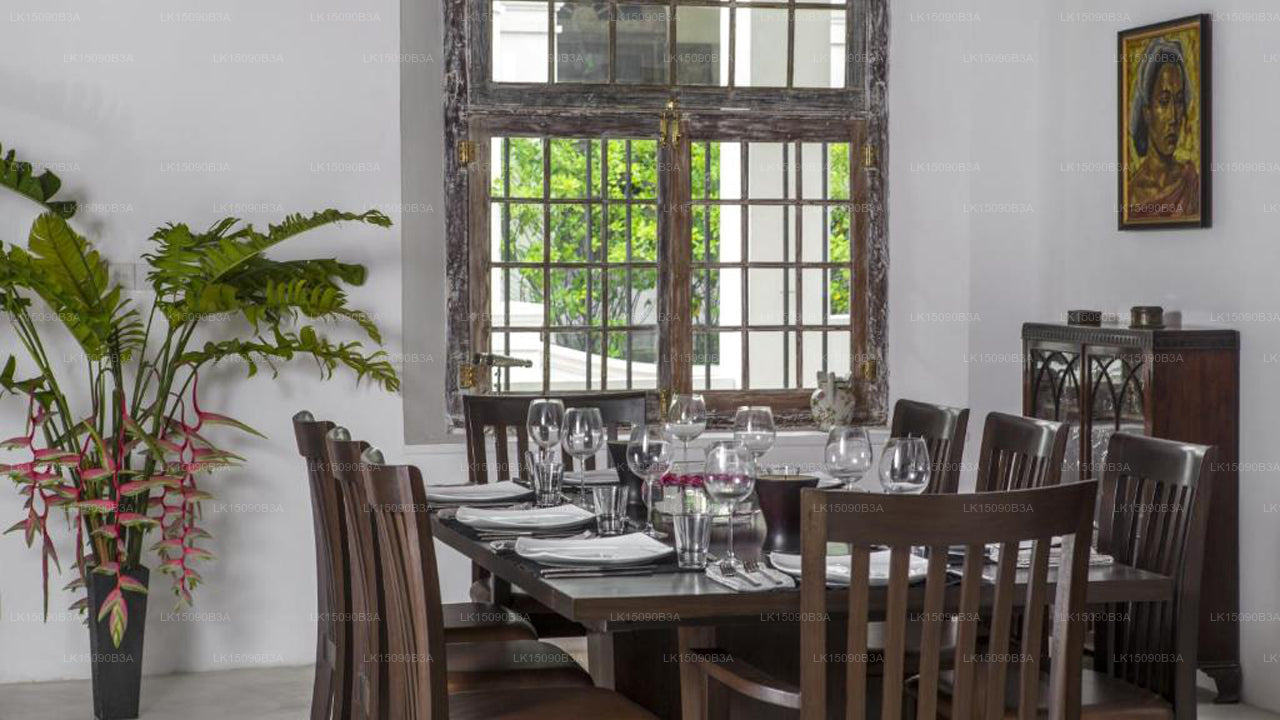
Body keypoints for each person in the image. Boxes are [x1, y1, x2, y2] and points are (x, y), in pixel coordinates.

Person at [1126, 37, 1200, 221]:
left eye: (1179, 101)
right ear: (1147, 112)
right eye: (1164, 102)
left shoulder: (1191, 182)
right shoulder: (1132, 195)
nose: (1173, 117)